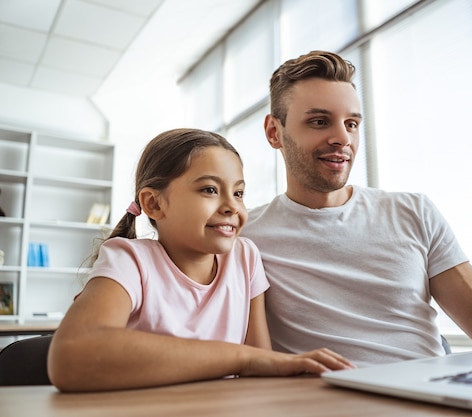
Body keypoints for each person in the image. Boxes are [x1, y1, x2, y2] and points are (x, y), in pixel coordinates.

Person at [241, 51, 472, 368]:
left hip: (430, 398)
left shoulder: (413, 212)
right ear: (273, 132)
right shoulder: (245, 237)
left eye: (351, 123)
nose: (342, 138)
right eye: (319, 122)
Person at [48, 128, 354, 392]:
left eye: (238, 193)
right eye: (209, 189)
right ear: (154, 204)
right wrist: (240, 358)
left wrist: (257, 362)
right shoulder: (130, 260)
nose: (231, 206)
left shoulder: (245, 257)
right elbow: (71, 356)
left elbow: (261, 366)